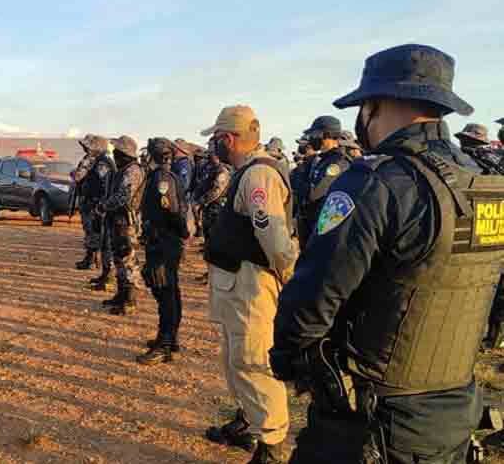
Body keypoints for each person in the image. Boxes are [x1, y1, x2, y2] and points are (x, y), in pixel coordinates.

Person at [270, 44, 504, 464]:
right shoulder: (484, 184)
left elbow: (312, 298)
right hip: (455, 409)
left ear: (373, 106)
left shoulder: (374, 182)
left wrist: (292, 361)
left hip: (374, 419)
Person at [202, 105, 298, 464]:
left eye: (216, 138)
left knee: (254, 361)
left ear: (228, 139)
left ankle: (272, 445)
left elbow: (273, 236)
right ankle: (248, 421)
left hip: (251, 286)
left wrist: (289, 278)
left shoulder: (259, 175)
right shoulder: (247, 172)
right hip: (236, 283)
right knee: (236, 359)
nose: (213, 145)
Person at [138, 138, 189, 365]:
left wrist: (180, 234)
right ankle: (168, 337)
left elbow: (172, 211)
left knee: (165, 291)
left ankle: (165, 344)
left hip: (164, 241)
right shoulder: (164, 175)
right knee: (168, 290)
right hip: (165, 240)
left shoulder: (162, 178)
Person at [97, 136, 145, 316]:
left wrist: (104, 206)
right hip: (117, 219)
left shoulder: (133, 170)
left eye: (117, 151)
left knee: (128, 259)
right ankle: (121, 294)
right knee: (118, 257)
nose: (114, 154)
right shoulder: (123, 169)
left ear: (125, 153)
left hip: (127, 221)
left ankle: (130, 299)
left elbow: (123, 196)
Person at [296, 116, 355, 249]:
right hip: (311, 227)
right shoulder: (322, 160)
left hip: (324, 231)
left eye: (314, 135)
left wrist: (301, 183)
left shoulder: (337, 162)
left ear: (326, 135)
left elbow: (314, 194)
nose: (311, 138)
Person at [76, 136, 116, 290]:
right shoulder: (96, 161)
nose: (86, 149)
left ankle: (94, 261)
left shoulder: (101, 163)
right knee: (91, 231)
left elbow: (105, 184)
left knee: (96, 233)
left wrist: (101, 204)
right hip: (91, 203)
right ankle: (92, 259)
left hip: (96, 204)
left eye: (88, 147)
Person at [195, 138, 232, 284]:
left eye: (211, 152)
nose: (209, 155)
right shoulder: (211, 169)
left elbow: (216, 191)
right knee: (208, 243)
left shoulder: (222, 171)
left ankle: (216, 274)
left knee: (215, 244)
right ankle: (210, 273)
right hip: (209, 210)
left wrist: (201, 202)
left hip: (217, 210)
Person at [72, 135, 98, 269]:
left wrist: (73, 173)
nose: (84, 148)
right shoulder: (100, 160)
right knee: (94, 231)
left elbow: (77, 176)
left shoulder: (89, 160)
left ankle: (91, 259)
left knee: (90, 230)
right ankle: (94, 258)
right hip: (94, 201)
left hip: (89, 201)